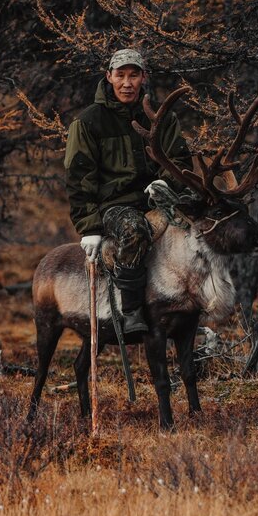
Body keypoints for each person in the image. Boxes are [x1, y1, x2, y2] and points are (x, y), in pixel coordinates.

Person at [64, 48, 193, 334]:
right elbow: (78, 176)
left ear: (143, 77)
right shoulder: (88, 121)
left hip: (156, 199)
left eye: (133, 75)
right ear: (109, 76)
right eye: (120, 75)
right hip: (113, 206)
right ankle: (132, 311)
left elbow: (180, 160)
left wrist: (166, 184)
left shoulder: (161, 119)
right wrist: (89, 227)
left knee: (198, 218)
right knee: (134, 229)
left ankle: (193, 298)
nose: (126, 83)